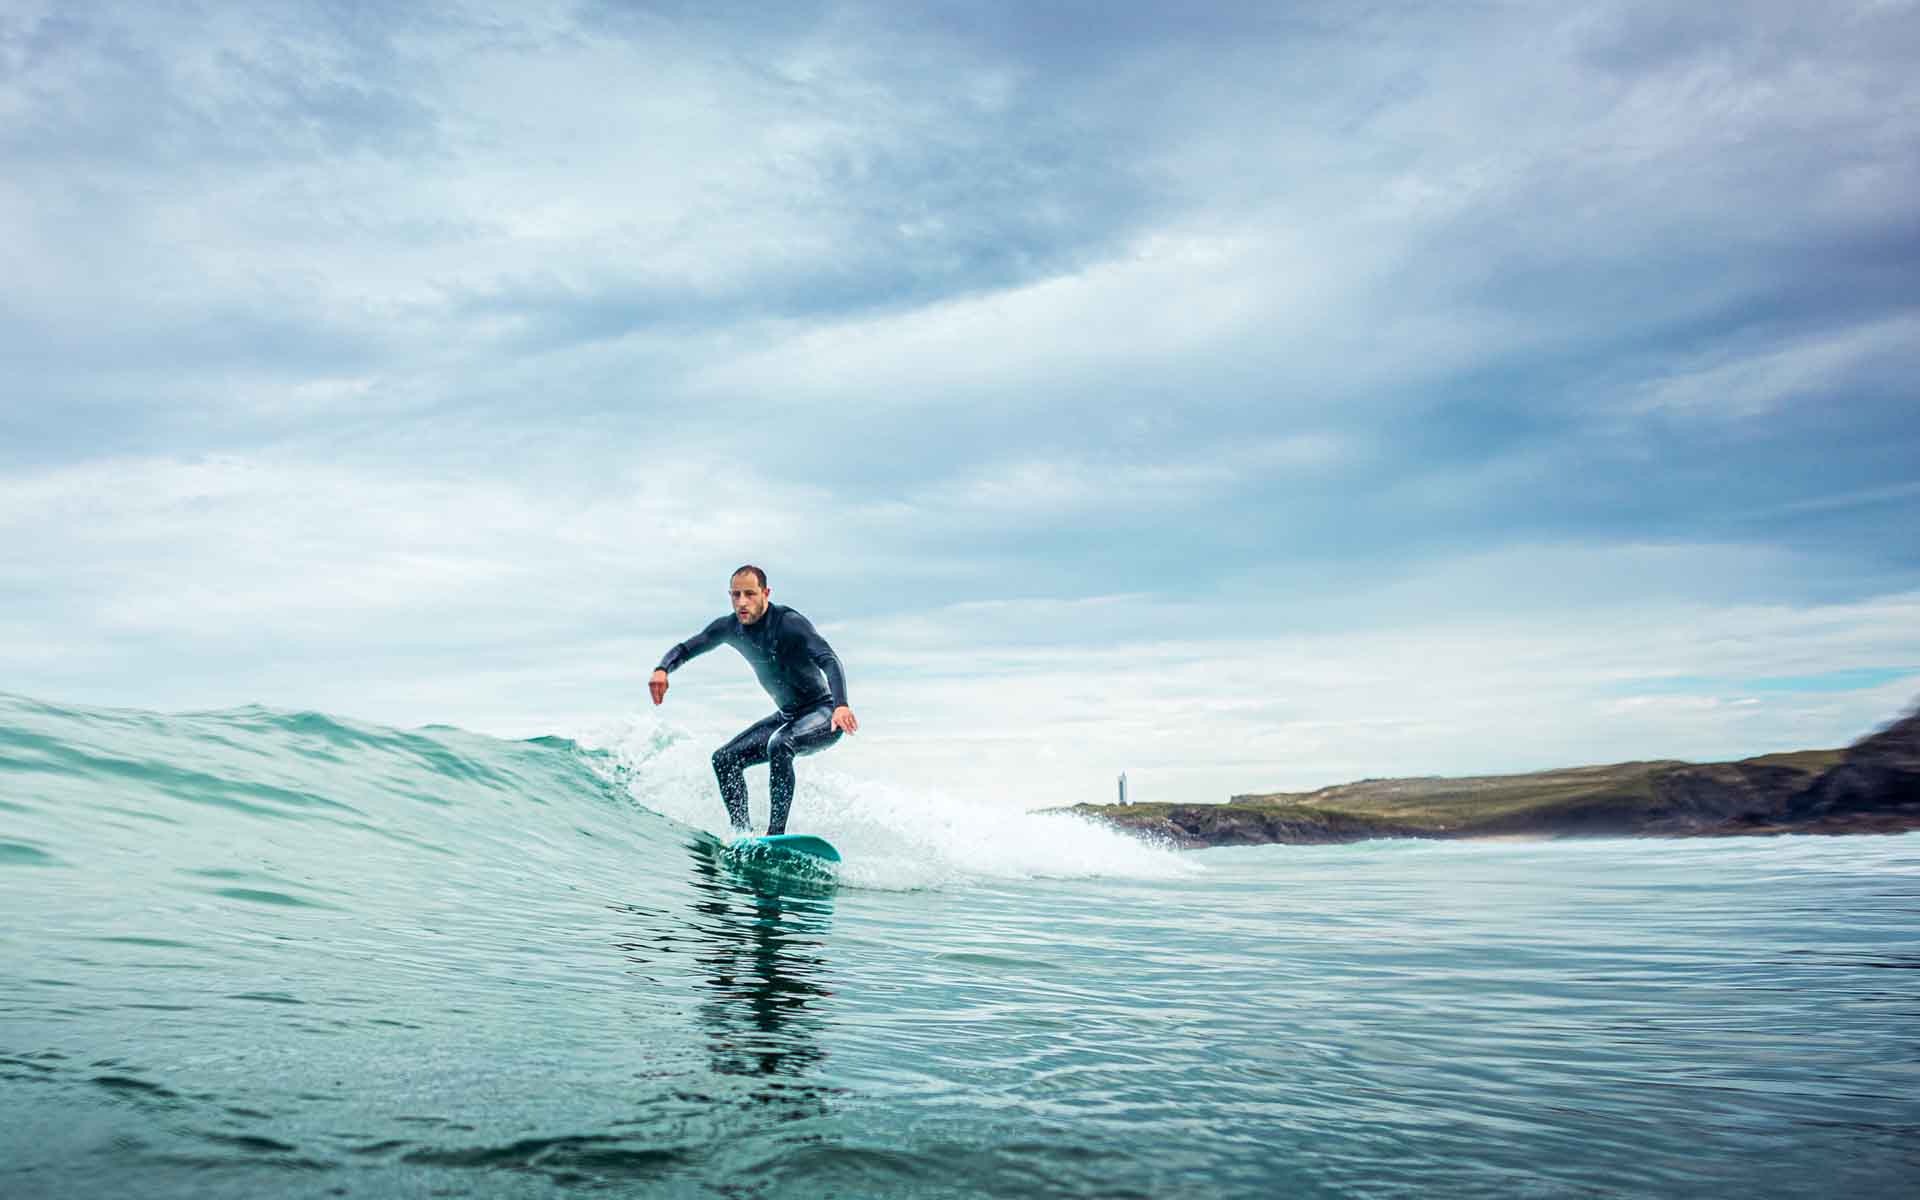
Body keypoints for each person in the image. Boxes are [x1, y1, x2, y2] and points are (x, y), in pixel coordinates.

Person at [650, 565, 858, 836]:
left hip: (825, 713)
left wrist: (841, 704)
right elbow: (688, 648)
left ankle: (776, 835)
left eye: (749, 594)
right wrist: (663, 668)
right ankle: (742, 833)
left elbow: (828, 659)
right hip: (788, 716)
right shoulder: (729, 627)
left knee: (781, 744)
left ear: (766, 593)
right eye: (735, 595)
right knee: (725, 759)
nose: (742, 602)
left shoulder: (789, 622)